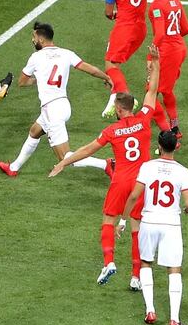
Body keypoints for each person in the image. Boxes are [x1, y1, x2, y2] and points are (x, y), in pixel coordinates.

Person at [50, 45, 160, 290]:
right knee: (136, 227)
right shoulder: (143, 119)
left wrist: (64, 162)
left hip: (120, 180)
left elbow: (87, 150)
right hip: (141, 182)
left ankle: (109, 262)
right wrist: (155, 62)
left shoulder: (112, 130)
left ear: (119, 110)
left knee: (108, 220)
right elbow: (153, 90)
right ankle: (135, 277)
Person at [0, 21, 114, 177]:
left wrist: (38, 78)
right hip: (62, 105)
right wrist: (106, 77)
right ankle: (14, 167)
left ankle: (105, 164)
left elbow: (22, 82)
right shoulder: (66, 53)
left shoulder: (36, 57)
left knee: (64, 158)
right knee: (34, 131)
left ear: (41, 39)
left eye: (34, 37)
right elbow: (90, 69)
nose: (33, 40)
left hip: (52, 110)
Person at [122, 131, 188, 325]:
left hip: (149, 221)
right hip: (170, 224)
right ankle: (174, 319)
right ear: (175, 147)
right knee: (174, 269)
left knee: (146, 263)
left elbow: (134, 196)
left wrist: (122, 220)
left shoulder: (147, 166)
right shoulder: (183, 171)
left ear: (159, 146)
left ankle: (150, 311)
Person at [100, 0, 150, 118]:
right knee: (116, 65)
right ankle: (116, 92)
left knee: (110, 64)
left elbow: (108, 12)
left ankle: (126, 98)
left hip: (125, 27)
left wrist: (116, 14)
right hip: (141, 28)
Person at [145, 0, 188, 145]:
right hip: (179, 49)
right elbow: (185, 29)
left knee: (151, 92)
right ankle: (175, 127)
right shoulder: (175, 0)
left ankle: (169, 135)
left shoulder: (156, 6)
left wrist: (151, 56)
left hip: (167, 52)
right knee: (167, 91)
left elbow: (160, 34)